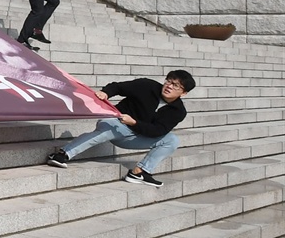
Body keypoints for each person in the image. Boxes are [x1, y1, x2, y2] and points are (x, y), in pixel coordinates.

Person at [46, 70, 196, 188]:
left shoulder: (178, 111)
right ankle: (63, 154)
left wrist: (134, 123)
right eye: (169, 81)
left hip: (134, 135)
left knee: (172, 140)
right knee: (110, 129)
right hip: (115, 122)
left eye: (176, 85)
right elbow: (118, 87)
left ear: (183, 93)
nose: (169, 86)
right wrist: (106, 92)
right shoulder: (147, 86)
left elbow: (157, 131)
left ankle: (139, 173)